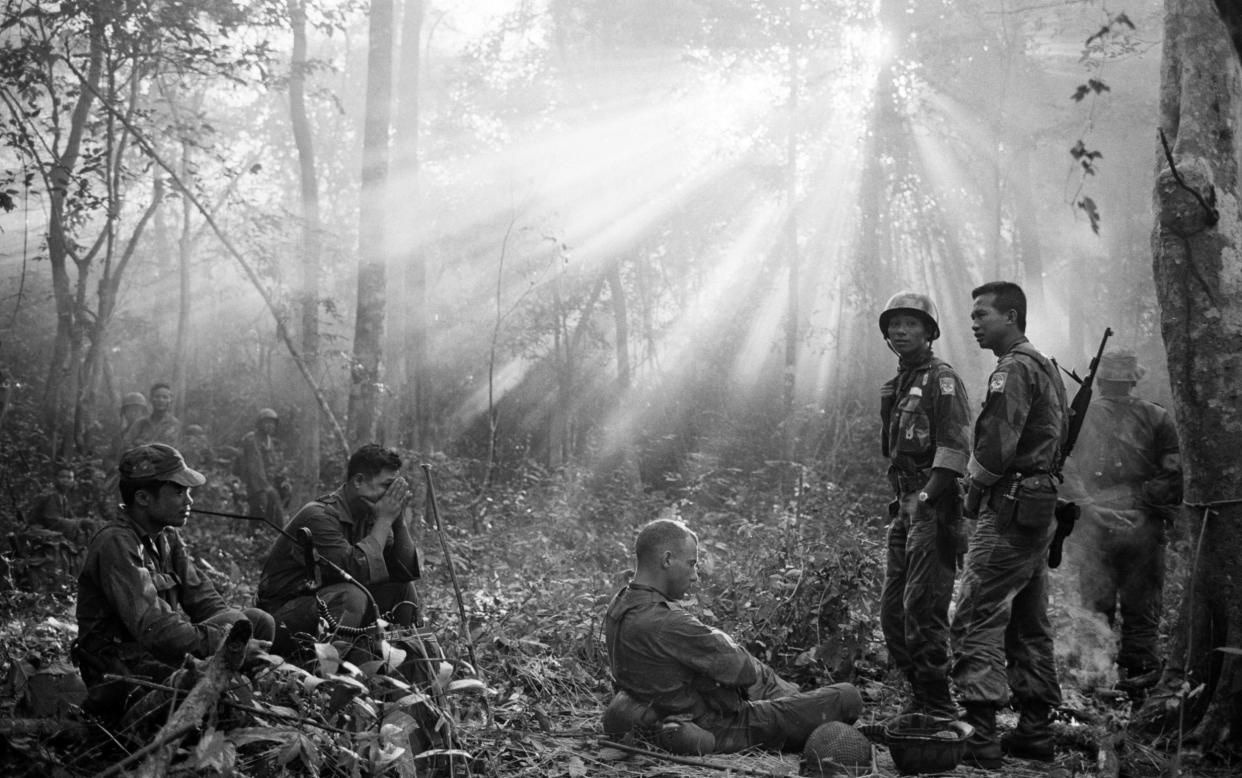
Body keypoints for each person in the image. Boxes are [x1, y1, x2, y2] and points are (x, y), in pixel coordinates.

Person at [602, 519, 863, 755]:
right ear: (667, 559)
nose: (694, 576)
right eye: (691, 564)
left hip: (667, 708)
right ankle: (800, 705)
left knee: (778, 688)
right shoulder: (667, 622)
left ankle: (795, 699)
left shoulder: (621, 602)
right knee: (848, 696)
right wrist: (717, 637)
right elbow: (744, 671)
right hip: (724, 725)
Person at [952, 281, 1069, 767]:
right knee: (1027, 619)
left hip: (1011, 504)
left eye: (983, 315)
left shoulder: (1014, 370)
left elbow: (997, 446)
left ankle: (980, 735)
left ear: (1012, 316)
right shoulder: (1046, 366)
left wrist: (972, 494)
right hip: (1038, 506)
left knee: (976, 611)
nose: (974, 323)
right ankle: (1035, 731)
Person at [73, 444, 274, 721]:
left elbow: (204, 600)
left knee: (257, 621)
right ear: (143, 498)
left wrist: (236, 634)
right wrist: (227, 646)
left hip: (158, 656)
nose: (189, 500)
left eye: (188, 491)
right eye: (179, 491)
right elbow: (156, 628)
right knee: (232, 692)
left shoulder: (167, 537)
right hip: (124, 672)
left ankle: (233, 696)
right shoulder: (115, 544)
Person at [1063, 348, 1182, 693]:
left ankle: (1095, 682)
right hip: (1140, 523)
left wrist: (1090, 504)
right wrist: (1140, 506)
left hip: (1097, 521)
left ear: (1100, 380)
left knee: (1095, 608)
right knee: (1141, 609)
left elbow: (1061, 465)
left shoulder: (1078, 416)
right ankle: (1137, 683)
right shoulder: (1157, 417)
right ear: (1134, 379)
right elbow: (1173, 474)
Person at [877, 292, 972, 718]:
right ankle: (920, 696)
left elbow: (954, 451)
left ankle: (939, 708)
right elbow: (893, 451)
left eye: (911, 324)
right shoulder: (898, 383)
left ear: (930, 331)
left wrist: (926, 498)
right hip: (907, 507)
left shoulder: (942, 380)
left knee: (923, 608)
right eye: (895, 324)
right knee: (892, 612)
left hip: (933, 508)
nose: (901, 330)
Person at [256, 444, 420, 655]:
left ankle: (401, 659)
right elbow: (355, 570)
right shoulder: (320, 516)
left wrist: (397, 521)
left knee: (402, 587)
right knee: (352, 595)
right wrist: (385, 519)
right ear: (359, 481)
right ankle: (328, 674)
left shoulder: (370, 514)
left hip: (327, 609)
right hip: (278, 620)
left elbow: (405, 572)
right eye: (386, 486)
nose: (391, 496)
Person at [240, 408, 291, 527]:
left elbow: (275, 465)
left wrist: (283, 481)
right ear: (260, 424)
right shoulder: (252, 439)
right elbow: (255, 466)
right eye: (267, 422)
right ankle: (253, 540)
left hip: (267, 484)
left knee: (278, 515)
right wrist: (266, 487)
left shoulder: (270, 442)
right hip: (254, 485)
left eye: (273, 423)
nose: (270, 426)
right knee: (260, 507)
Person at [131, 382, 182, 447]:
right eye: (157, 397)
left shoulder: (175, 424)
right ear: (151, 399)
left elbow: (176, 450)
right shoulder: (140, 423)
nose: (161, 400)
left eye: (165, 397)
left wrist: (142, 443)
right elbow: (127, 445)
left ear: (170, 400)